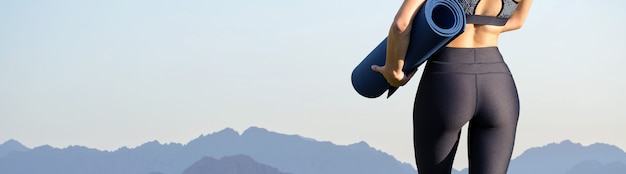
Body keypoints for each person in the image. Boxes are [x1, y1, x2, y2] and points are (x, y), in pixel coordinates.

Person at [371, 0, 533, 173]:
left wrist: (393, 69)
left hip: (447, 80)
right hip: (498, 85)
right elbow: (518, 20)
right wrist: (486, 26)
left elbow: (401, 25)